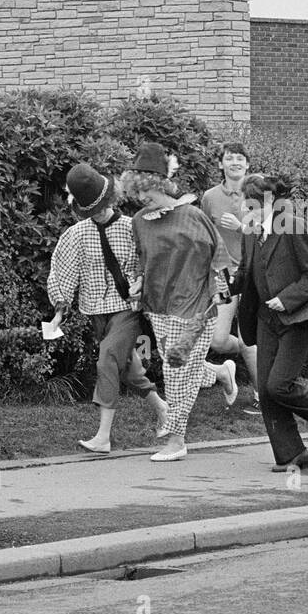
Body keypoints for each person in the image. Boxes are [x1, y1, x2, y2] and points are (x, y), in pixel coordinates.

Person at [123, 142, 238, 462]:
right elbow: (140, 261)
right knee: (183, 368)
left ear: (162, 186)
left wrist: (219, 293)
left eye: (147, 192)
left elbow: (218, 258)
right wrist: (137, 281)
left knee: (175, 372)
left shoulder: (193, 216)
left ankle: (176, 440)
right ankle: (221, 373)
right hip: (158, 306)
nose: (142, 199)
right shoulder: (139, 221)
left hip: (196, 307)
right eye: (137, 193)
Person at [47, 162, 170, 453]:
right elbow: (64, 271)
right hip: (96, 312)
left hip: (127, 308)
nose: (99, 212)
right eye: (92, 209)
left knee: (106, 360)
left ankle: (103, 437)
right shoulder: (76, 235)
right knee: (126, 369)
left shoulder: (132, 228)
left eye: (103, 205)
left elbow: (150, 262)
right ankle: (164, 409)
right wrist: (59, 308)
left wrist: (141, 284)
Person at [230, 173, 308, 471]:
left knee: (279, 385)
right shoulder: (251, 232)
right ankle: (292, 454)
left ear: (268, 201)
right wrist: (228, 285)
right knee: (266, 390)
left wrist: (288, 298)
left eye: (252, 206)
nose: (247, 211)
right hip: (266, 319)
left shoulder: (293, 225)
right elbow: (246, 272)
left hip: (297, 316)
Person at [200, 141, 260, 414]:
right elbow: (203, 236)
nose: (235, 162)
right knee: (218, 340)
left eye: (240, 158)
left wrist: (241, 226)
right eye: (229, 158)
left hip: (252, 274)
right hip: (223, 275)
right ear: (221, 164)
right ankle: (233, 365)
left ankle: (262, 397)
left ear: (247, 164)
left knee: (248, 338)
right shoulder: (210, 197)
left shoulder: (258, 192)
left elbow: (270, 232)